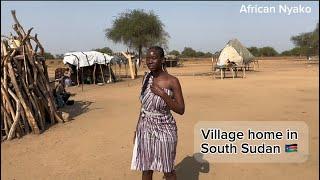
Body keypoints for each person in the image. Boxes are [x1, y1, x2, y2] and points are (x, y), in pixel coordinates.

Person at [131, 46, 185, 180]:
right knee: (146, 168)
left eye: (154, 58)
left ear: (162, 60)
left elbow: (181, 109)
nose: (150, 61)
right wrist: (137, 129)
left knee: (168, 170)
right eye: (148, 58)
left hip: (165, 127)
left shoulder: (172, 81)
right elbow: (144, 106)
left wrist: (162, 94)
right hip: (145, 127)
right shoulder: (146, 78)